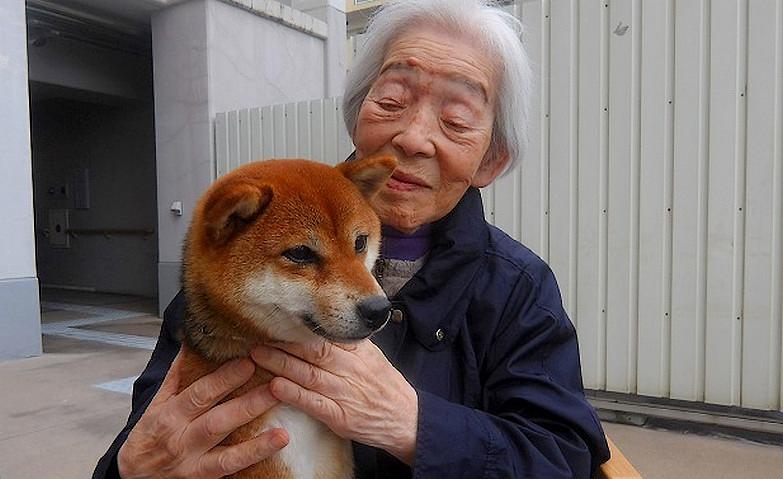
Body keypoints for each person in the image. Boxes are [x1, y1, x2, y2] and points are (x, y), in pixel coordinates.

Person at [93, 0, 610, 477]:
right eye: (390, 101)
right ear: (358, 114)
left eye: (455, 121)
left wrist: (413, 425)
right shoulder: (240, 255)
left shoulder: (516, 289)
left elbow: (565, 457)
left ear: (492, 160)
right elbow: (150, 434)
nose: (412, 137)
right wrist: (129, 470)